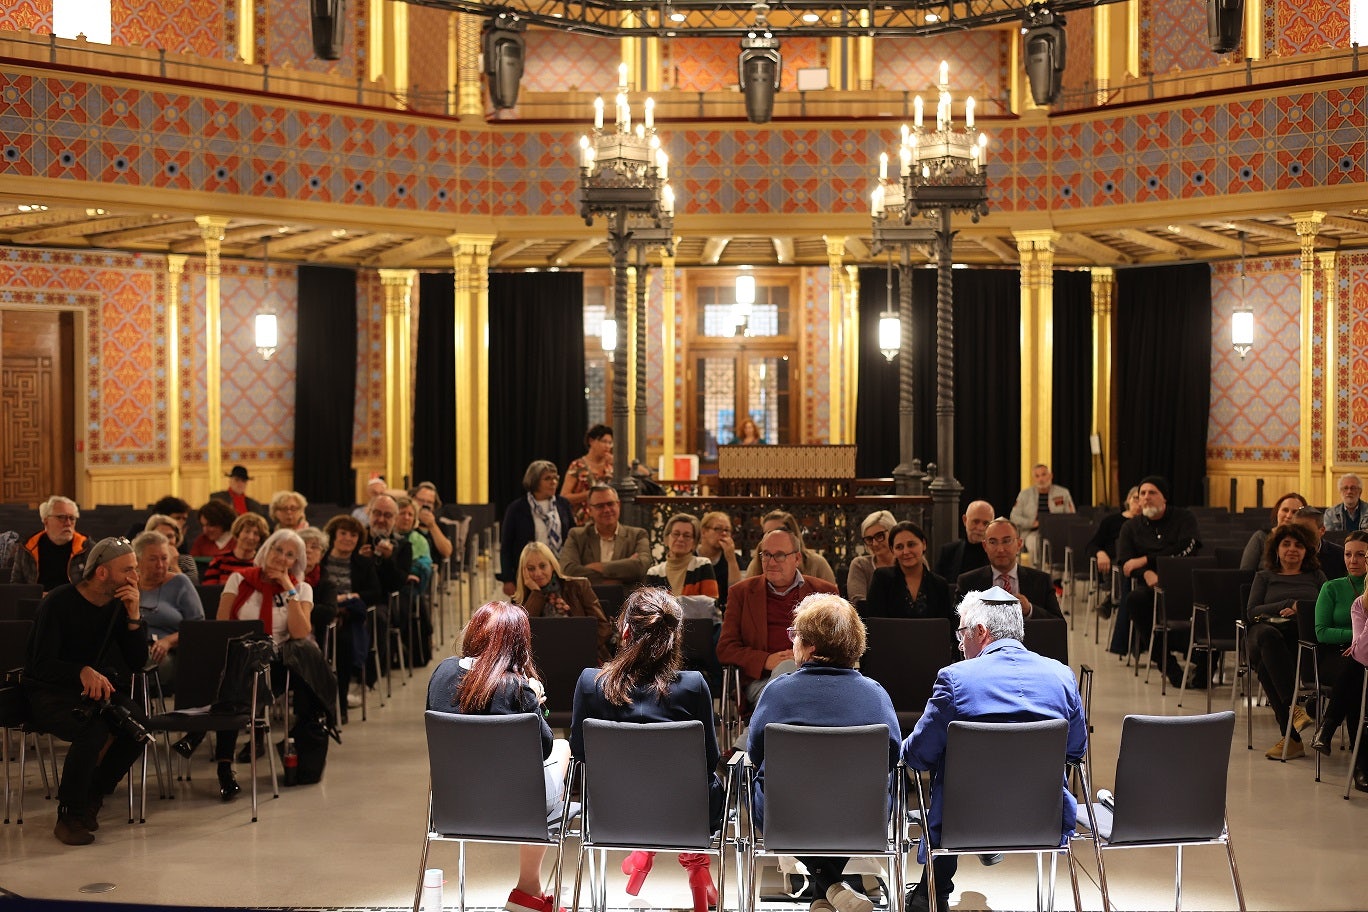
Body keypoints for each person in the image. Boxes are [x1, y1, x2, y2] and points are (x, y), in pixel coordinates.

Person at [900, 588, 1087, 912]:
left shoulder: (955, 679)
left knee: (950, 750)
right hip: (1043, 819)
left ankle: (932, 891)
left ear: (981, 632)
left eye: (962, 633)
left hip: (964, 820)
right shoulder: (1062, 676)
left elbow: (917, 756)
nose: (960, 644)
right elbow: (1076, 750)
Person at [746, 593, 900, 912]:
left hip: (786, 816)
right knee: (869, 794)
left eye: (795, 636)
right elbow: (892, 756)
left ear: (810, 647)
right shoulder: (875, 694)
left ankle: (825, 887)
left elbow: (755, 753)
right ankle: (828, 889)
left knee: (759, 786)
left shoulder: (777, 691)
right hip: (861, 816)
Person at [570, 588, 722, 912]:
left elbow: (580, 757)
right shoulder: (693, 686)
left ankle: (644, 855)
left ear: (625, 631)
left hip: (609, 816)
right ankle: (696, 866)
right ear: (674, 637)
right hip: (685, 818)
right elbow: (709, 762)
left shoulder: (589, 683)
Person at [428, 600, 571, 912]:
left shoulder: (441, 673)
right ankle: (528, 888)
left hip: (453, 805)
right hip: (516, 806)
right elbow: (542, 748)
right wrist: (535, 699)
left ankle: (529, 892)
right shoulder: (517, 688)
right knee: (562, 748)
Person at [23, 537, 149, 845]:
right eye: (128, 570)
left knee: (138, 728)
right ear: (103, 572)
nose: (135, 578)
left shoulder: (119, 606)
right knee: (91, 731)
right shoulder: (59, 603)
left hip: (93, 689)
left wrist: (134, 617)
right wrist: (80, 671)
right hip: (47, 692)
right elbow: (39, 666)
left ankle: (93, 794)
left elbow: (136, 662)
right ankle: (69, 816)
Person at [213, 529, 318, 798]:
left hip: (277, 664)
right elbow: (222, 626)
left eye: (289, 555)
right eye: (277, 550)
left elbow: (299, 633)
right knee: (235, 676)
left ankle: (220, 759)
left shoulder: (301, 588)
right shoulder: (238, 580)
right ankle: (225, 765)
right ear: (267, 550)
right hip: (236, 658)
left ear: (296, 561)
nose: (281, 557)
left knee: (233, 687)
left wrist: (287, 587)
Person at [718, 527, 839, 704]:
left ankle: (761, 730)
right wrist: (765, 660)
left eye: (780, 555)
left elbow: (839, 645)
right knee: (787, 673)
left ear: (797, 558)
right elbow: (725, 648)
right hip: (763, 681)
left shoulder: (824, 592)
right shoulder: (741, 593)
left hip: (816, 677)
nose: (771, 562)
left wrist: (806, 659)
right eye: (766, 554)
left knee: (791, 675)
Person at [1108, 475, 1202, 688]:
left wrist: (1147, 560)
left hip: (1184, 584)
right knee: (1134, 600)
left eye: (1152, 493)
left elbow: (1188, 548)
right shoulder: (1130, 527)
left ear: (1164, 498)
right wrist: (1146, 573)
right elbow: (1126, 564)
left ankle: (1203, 669)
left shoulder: (1184, 518)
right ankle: (1167, 664)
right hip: (1149, 587)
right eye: (1142, 494)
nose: (1146, 497)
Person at [1243, 522, 1326, 759]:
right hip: (1264, 632)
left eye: (1299, 545)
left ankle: (1292, 738)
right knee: (1267, 638)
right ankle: (1294, 708)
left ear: (1307, 551)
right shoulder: (1264, 576)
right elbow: (1251, 612)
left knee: (1265, 666)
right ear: (1276, 550)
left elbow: (1325, 608)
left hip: (1300, 638)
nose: (1292, 549)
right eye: (1286, 544)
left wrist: (1302, 610)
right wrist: (1287, 604)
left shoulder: (1316, 576)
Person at [318, 514, 385, 715]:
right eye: (343, 533)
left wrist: (352, 596)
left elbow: (375, 593)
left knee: (344, 642)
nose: (348, 538)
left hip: (349, 617)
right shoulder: (321, 560)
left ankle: (340, 703)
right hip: (322, 613)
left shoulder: (363, 563)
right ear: (333, 535)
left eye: (353, 535)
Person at [513, 541, 613, 661]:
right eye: (531, 569)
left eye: (542, 566)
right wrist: (536, 593)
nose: (537, 573)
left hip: (583, 655)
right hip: (542, 660)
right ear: (523, 572)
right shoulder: (519, 600)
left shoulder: (578, 586)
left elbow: (603, 627)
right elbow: (521, 637)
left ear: (552, 565)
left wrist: (579, 649)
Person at [1310, 589, 1368, 791]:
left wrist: (1358, 641)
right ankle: (1362, 764)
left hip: (1356, 659)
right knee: (1357, 682)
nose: (1354, 560)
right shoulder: (1353, 599)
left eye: (1360, 554)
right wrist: (1357, 638)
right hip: (1342, 655)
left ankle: (1328, 727)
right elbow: (1323, 632)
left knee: (1355, 673)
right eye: (1348, 554)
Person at [133, 530, 204, 689]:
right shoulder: (129, 584)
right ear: (137, 560)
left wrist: (168, 641)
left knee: (149, 662)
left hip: (168, 651)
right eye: (153, 559)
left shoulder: (180, 583)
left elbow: (198, 627)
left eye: (164, 558)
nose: (160, 565)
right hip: (133, 645)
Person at [956, 518, 1063, 619]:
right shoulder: (968, 583)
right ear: (985, 546)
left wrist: (1029, 610)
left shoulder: (1041, 580)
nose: (1000, 549)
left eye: (1006, 541)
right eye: (993, 542)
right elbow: (955, 627)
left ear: (1019, 544)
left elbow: (1058, 624)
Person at [500, 460, 575, 597]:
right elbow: (506, 546)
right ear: (534, 481)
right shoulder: (516, 508)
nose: (554, 482)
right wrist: (508, 579)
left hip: (560, 571)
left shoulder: (563, 504)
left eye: (555, 478)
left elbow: (572, 537)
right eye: (547, 478)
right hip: (530, 574)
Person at [558, 485, 650, 587]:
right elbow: (568, 570)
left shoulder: (638, 535)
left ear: (618, 505)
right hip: (588, 599)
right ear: (590, 510)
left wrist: (600, 567)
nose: (606, 510)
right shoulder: (577, 536)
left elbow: (641, 566)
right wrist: (620, 573)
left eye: (610, 504)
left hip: (627, 600)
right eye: (600, 506)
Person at [863, 521, 953, 621]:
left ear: (923, 544)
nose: (906, 551)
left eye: (911, 545)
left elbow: (944, 628)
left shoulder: (939, 584)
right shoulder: (881, 578)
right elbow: (875, 624)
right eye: (899, 547)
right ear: (893, 550)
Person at [1084, 486, 1140, 617]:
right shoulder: (1111, 521)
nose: (1139, 503)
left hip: (1137, 565)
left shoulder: (1147, 523)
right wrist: (1100, 553)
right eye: (1135, 498)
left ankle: (1110, 600)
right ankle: (1115, 598)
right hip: (1112, 566)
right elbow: (1092, 545)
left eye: (1141, 499)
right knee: (1120, 565)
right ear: (1128, 500)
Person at [12, 495, 88, 590]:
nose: (68, 523)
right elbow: (16, 585)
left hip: (73, 603)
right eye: (61, 517)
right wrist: (38, 595)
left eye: (72, 518)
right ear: (45, 520)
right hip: (37, 602)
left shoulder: (86, 547)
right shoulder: (27, 547)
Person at [741, 511, 837, 585]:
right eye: (767, 533)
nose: (773, 537)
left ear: (793, 534)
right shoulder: (757, 562)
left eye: (778, 531)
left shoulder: (817, 563)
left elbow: (832, 601)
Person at [646, 513, 720, 606]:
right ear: (666, 539)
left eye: (687, 536)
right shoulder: (653, 573)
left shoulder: (702, 565)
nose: (680, 539)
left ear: (694, 542)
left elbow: (710, 604)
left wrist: (668, 606)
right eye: (676, 534)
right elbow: (650, 609)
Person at [1009, 464, 1076, 560]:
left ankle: (1058, 573)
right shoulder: (1024, 495)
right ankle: (1037, 572)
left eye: (1044, 474)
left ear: (1050, 476)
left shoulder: (1063, 493)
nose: (1041, 479)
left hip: (1058, 532)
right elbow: (1014, 517)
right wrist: (1032, 523)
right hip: (1033, 532)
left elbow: (1071, 515)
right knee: (1033, 544)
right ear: (1034, 478)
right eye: (1037, 476)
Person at [1240, 493, 1309, 571]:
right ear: (1277, 512)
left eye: (1294, 512)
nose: (1289, 515)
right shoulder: (1260, 537)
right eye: (1285, 510)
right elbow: (1245, 573)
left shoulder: (1307, 540)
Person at [562, 424, 615, 524]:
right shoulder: (578, 465)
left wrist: (619, 463)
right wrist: (589, 494)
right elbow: (564, 497)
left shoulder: (611, 465)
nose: (607, 446)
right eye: (604, 441)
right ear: (591, 441)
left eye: (610, 442)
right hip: (583, 521)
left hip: (608, 520)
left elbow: (644, 472)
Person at [932, 500, 993, 583]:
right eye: (976, 521)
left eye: (986, 523)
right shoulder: (948, 552)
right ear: (965, 520)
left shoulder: (996, 554)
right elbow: (936, 585)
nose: (980, 528)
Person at [202, 512, 269, 586]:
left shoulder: (263, 564)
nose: (251, 537)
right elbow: (208, 591)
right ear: (238, 533)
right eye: (247, 531)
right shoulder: (220, 560)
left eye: (256, 534)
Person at [846, 510, 897, 603]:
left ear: (893, 533)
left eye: (879, 536)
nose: (875, 543)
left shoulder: (909, 560)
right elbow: (857, 603)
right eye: (869, 539)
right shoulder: (860, 565)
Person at [695, 511, 741, 611]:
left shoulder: (734, 558)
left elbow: (738, 593)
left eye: (727, 530)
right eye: (718, 529)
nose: (724, 533)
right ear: (703, 532)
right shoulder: (691, 556)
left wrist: (731, 559)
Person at [1291, 505, 1347, 581]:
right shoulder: (1286, 553)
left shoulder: (1339, 555)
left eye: (1306, 530)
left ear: (1322, 530)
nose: (1300, 534)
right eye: (1296, 529)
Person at [143, 513, 199, 581]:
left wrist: (174, 566)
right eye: (160, 536)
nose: (166, 541)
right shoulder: (141, 561)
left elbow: (191, 589)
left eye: (170, 536)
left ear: (176, 539)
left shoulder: (186, 560)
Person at [410, 481, 454, 560]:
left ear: (434, 506)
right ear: (413, 499)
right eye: (421, 500)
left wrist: (432, 525)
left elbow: (447, 552)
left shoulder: (440, 525)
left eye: (429, 502)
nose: (425, 505)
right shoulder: (406, 520)